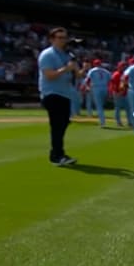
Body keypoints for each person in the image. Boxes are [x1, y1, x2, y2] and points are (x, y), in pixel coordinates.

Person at [37, 27, 82, 166]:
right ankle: (58, 155)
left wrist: (82, 69)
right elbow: (49, 75)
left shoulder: (67, 54)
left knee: (62, 124)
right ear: (52, 39)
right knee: (57, 125)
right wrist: (66, 69)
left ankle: (57, 153)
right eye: (60, 37)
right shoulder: (47, 54)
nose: (63, 40)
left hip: (65, 93)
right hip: (52, 93)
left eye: (64, 37)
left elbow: (77, 75)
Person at [86, 59, 112, 127]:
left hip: (96, 88)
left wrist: (88, 87)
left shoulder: (92, 70)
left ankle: (102, 122)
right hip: (104, 88)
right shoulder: (106, 71)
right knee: (101, 105)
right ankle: (102, 120)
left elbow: (88, 80)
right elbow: (110, 81)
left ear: (94, 64)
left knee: (99, 106)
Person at [111, 61, 128, 127]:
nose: (123, 67)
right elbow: (114, 85)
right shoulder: (116, 74)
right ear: (119, 67)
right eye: (122, 66)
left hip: (125, 93)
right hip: (117, 93)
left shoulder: (125, 74)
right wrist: (117, 92)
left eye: (124, 66)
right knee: (118, 108)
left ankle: (130, 122)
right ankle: (118, 121)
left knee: (128, 108)